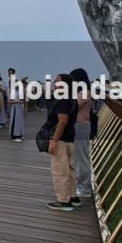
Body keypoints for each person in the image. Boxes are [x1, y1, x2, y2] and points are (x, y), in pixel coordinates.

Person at [45, 73, 79, 211]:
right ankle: (72, 196)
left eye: (57, 81)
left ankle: (63, 201)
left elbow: (62, 121)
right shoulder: (72, 99)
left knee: (59, 170)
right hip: (70, 138)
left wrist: (54, 141)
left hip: (60, 139)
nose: (55, 84)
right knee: (70, 169)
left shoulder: (63, 100)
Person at [70, 68, 94, 199]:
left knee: (81, 159)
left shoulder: (84, 93)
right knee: (77, 157)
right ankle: (80, 185)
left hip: (81, 126)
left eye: (73, 79)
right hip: (79, 126)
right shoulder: (81, 92)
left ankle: (84, 188)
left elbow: (72, 107)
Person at [7, 68, 25, 141]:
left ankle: (19, 135)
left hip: (19, 108)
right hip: (14, 108)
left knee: (19, 122)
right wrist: (18, 101)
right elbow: (10, 101)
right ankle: (14, 137)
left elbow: (22, 100)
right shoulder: (11, 90)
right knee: (14, 121)